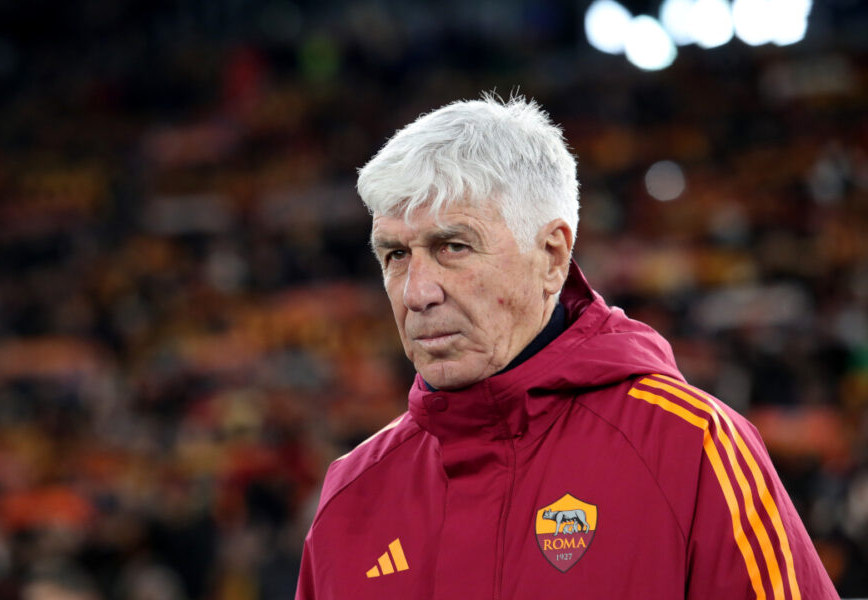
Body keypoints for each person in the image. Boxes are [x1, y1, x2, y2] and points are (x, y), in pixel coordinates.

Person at [295, 95, 838, 599]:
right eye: (394, 255)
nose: (416, 293)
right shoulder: (352, 492)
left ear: (553, 256)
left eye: (453, 246)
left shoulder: (691, 447)